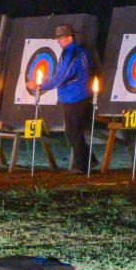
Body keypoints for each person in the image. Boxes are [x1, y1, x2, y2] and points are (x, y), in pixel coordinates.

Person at [35, 22, 94, 174]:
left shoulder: (70, 54)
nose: (58, 41)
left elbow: (61, 77)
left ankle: (83, 166)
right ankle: (88, 161)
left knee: (72, 132)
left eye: (60, 38)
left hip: (74, 98)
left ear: (69, 37)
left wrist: (40, 85)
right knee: (75, 131)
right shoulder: (81, 51)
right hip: (78, 96)